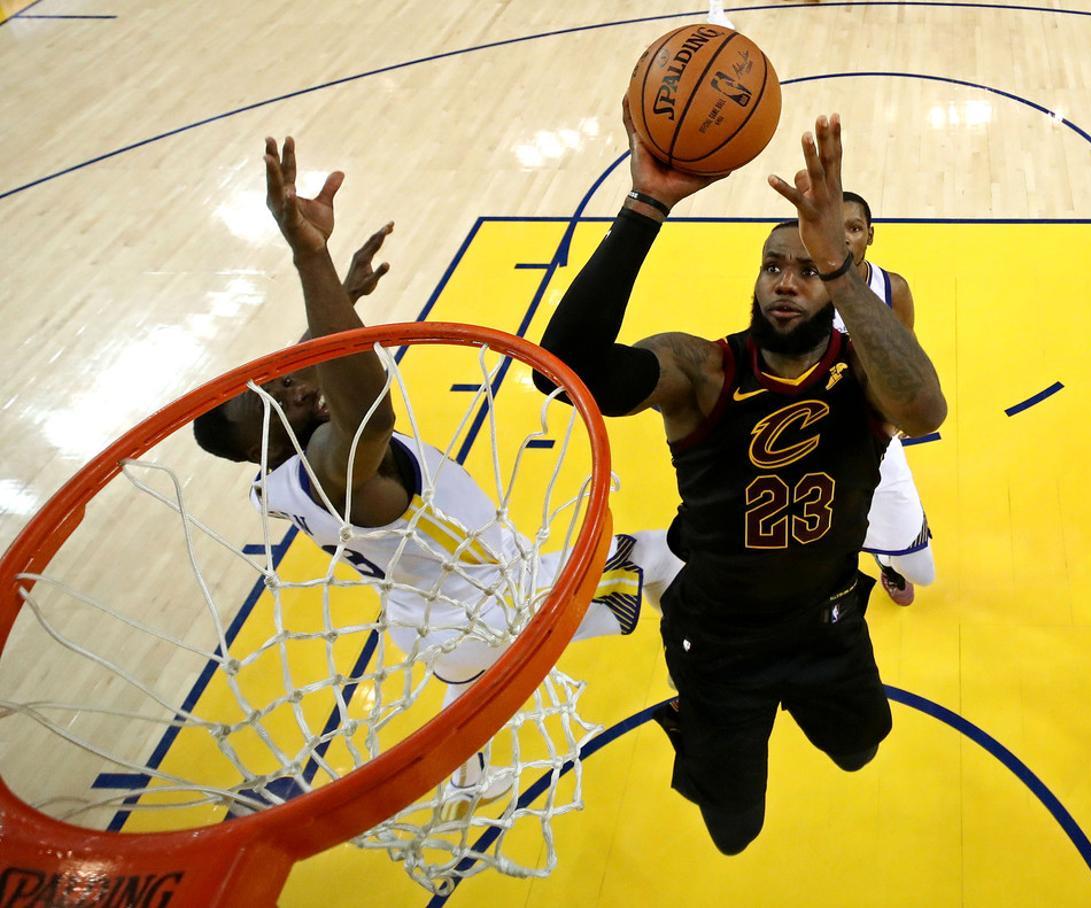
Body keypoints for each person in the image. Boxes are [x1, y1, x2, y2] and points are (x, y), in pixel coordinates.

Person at [193, 137, 681, 795]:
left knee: (467, 685)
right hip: (496, 603)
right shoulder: (335, 467)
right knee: (660, 554)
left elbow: (307, 373)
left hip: (426, 616)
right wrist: (311, 258)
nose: (296, 388)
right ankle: (705, 691)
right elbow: (366, 405)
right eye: (277, 403)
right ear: (267, 442)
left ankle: (468, 781)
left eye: (280, 384)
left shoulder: (282, 466)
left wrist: (340, 291)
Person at [535, 106, 946, 853]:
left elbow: (925, 410)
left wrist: (842, 271)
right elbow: (561, 377)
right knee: (734, 830)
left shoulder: (862, 379)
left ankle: (656, 556)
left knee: (861, 747)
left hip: (827, 625)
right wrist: (646, 205)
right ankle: (685, 688)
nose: (787, 282)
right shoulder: (703, 370)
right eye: (773, 266)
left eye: (805, 268)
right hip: (719, 644)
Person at [838, 190, 935, 605]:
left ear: (870, 235)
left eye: (854, 228)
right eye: (833, 229)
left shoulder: (893, 289)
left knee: (922, 572)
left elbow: (906, 358)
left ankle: (889, 555)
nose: (843, 239)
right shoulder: (797, 290)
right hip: (816, 430)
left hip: (875, 430)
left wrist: (902, 412)